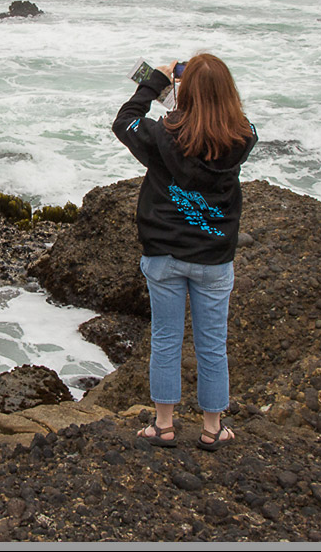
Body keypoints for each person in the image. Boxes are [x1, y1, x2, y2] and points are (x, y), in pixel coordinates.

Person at [112, 53, 257, 451]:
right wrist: (191, 91)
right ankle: (213, 428)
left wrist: (155, 84)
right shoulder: (242, 136)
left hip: (164, 255)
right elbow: (219, 123)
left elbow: (125, 122)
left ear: (184, 91)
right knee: (212, 344)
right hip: (213, 258)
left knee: (165, 339)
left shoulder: (162, 134)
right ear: (229, 94)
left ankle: (164, 425)